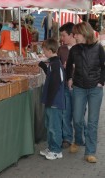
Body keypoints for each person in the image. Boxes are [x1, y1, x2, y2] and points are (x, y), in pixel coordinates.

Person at [66, 21, 105, 163]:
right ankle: (78, 140)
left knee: (93, 121)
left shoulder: (99, 48)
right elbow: (69, 66)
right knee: (77, 118)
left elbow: (103, 66)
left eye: (76, 34)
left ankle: (90, 152)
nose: (74, 36)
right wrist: (69, 78)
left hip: (95, 88)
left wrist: (101, 81)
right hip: (79, 88)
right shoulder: (74, 49)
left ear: (84, 33)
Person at [38, 38, 65, 160]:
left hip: (54, 102)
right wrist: (44, 66)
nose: (43, 53)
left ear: (49, 50)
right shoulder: (53, 63)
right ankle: (51, 147)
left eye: (44, 50)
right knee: (49, 125)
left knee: (54, 127)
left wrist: (49, 99)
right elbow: (51, 77)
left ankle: (56, 150)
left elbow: (56, 83)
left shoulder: (56, 64)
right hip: (51, 101)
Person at [58, 22, 76, 148]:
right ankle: (67, 138)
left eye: (63, 36)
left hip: (79, 86)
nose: (62, 38)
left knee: (79, 115)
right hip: (65, 85)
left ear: (71, 34)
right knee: (66, 113)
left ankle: (81, 136)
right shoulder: (61, 49)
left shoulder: (81, 47)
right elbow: (56, 65)